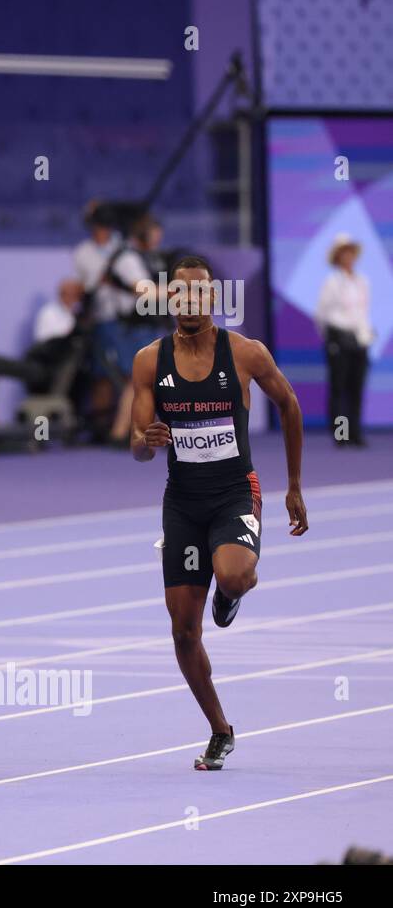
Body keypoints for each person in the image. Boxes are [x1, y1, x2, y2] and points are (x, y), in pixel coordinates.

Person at [130, 256, 308, 771]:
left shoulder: (246, 354)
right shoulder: (149, 362)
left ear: (214, 299)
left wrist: (293, 486)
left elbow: (290, 405)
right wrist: (149, 441)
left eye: (198, 293)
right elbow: (137, 446)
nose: (189, 302)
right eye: (179, 294)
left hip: (235, 492)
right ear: (170, 300)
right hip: (183, 503)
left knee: (233, 574)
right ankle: (219, 730)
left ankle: (229, 595)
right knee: (184, 632)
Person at [316, 234, 374, 448]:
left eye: (351, 252)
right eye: (344, 252)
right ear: (338, 256)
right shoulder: (332, 282)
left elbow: (362, 312)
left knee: (356, 388)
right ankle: (341, 434)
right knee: (339, 388)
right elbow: (322, 314)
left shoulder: (362, 281)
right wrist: (332, 339)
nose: (348, 256)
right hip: (339, 339)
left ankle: (356, 432)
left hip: (359, 339)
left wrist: (366, 335)